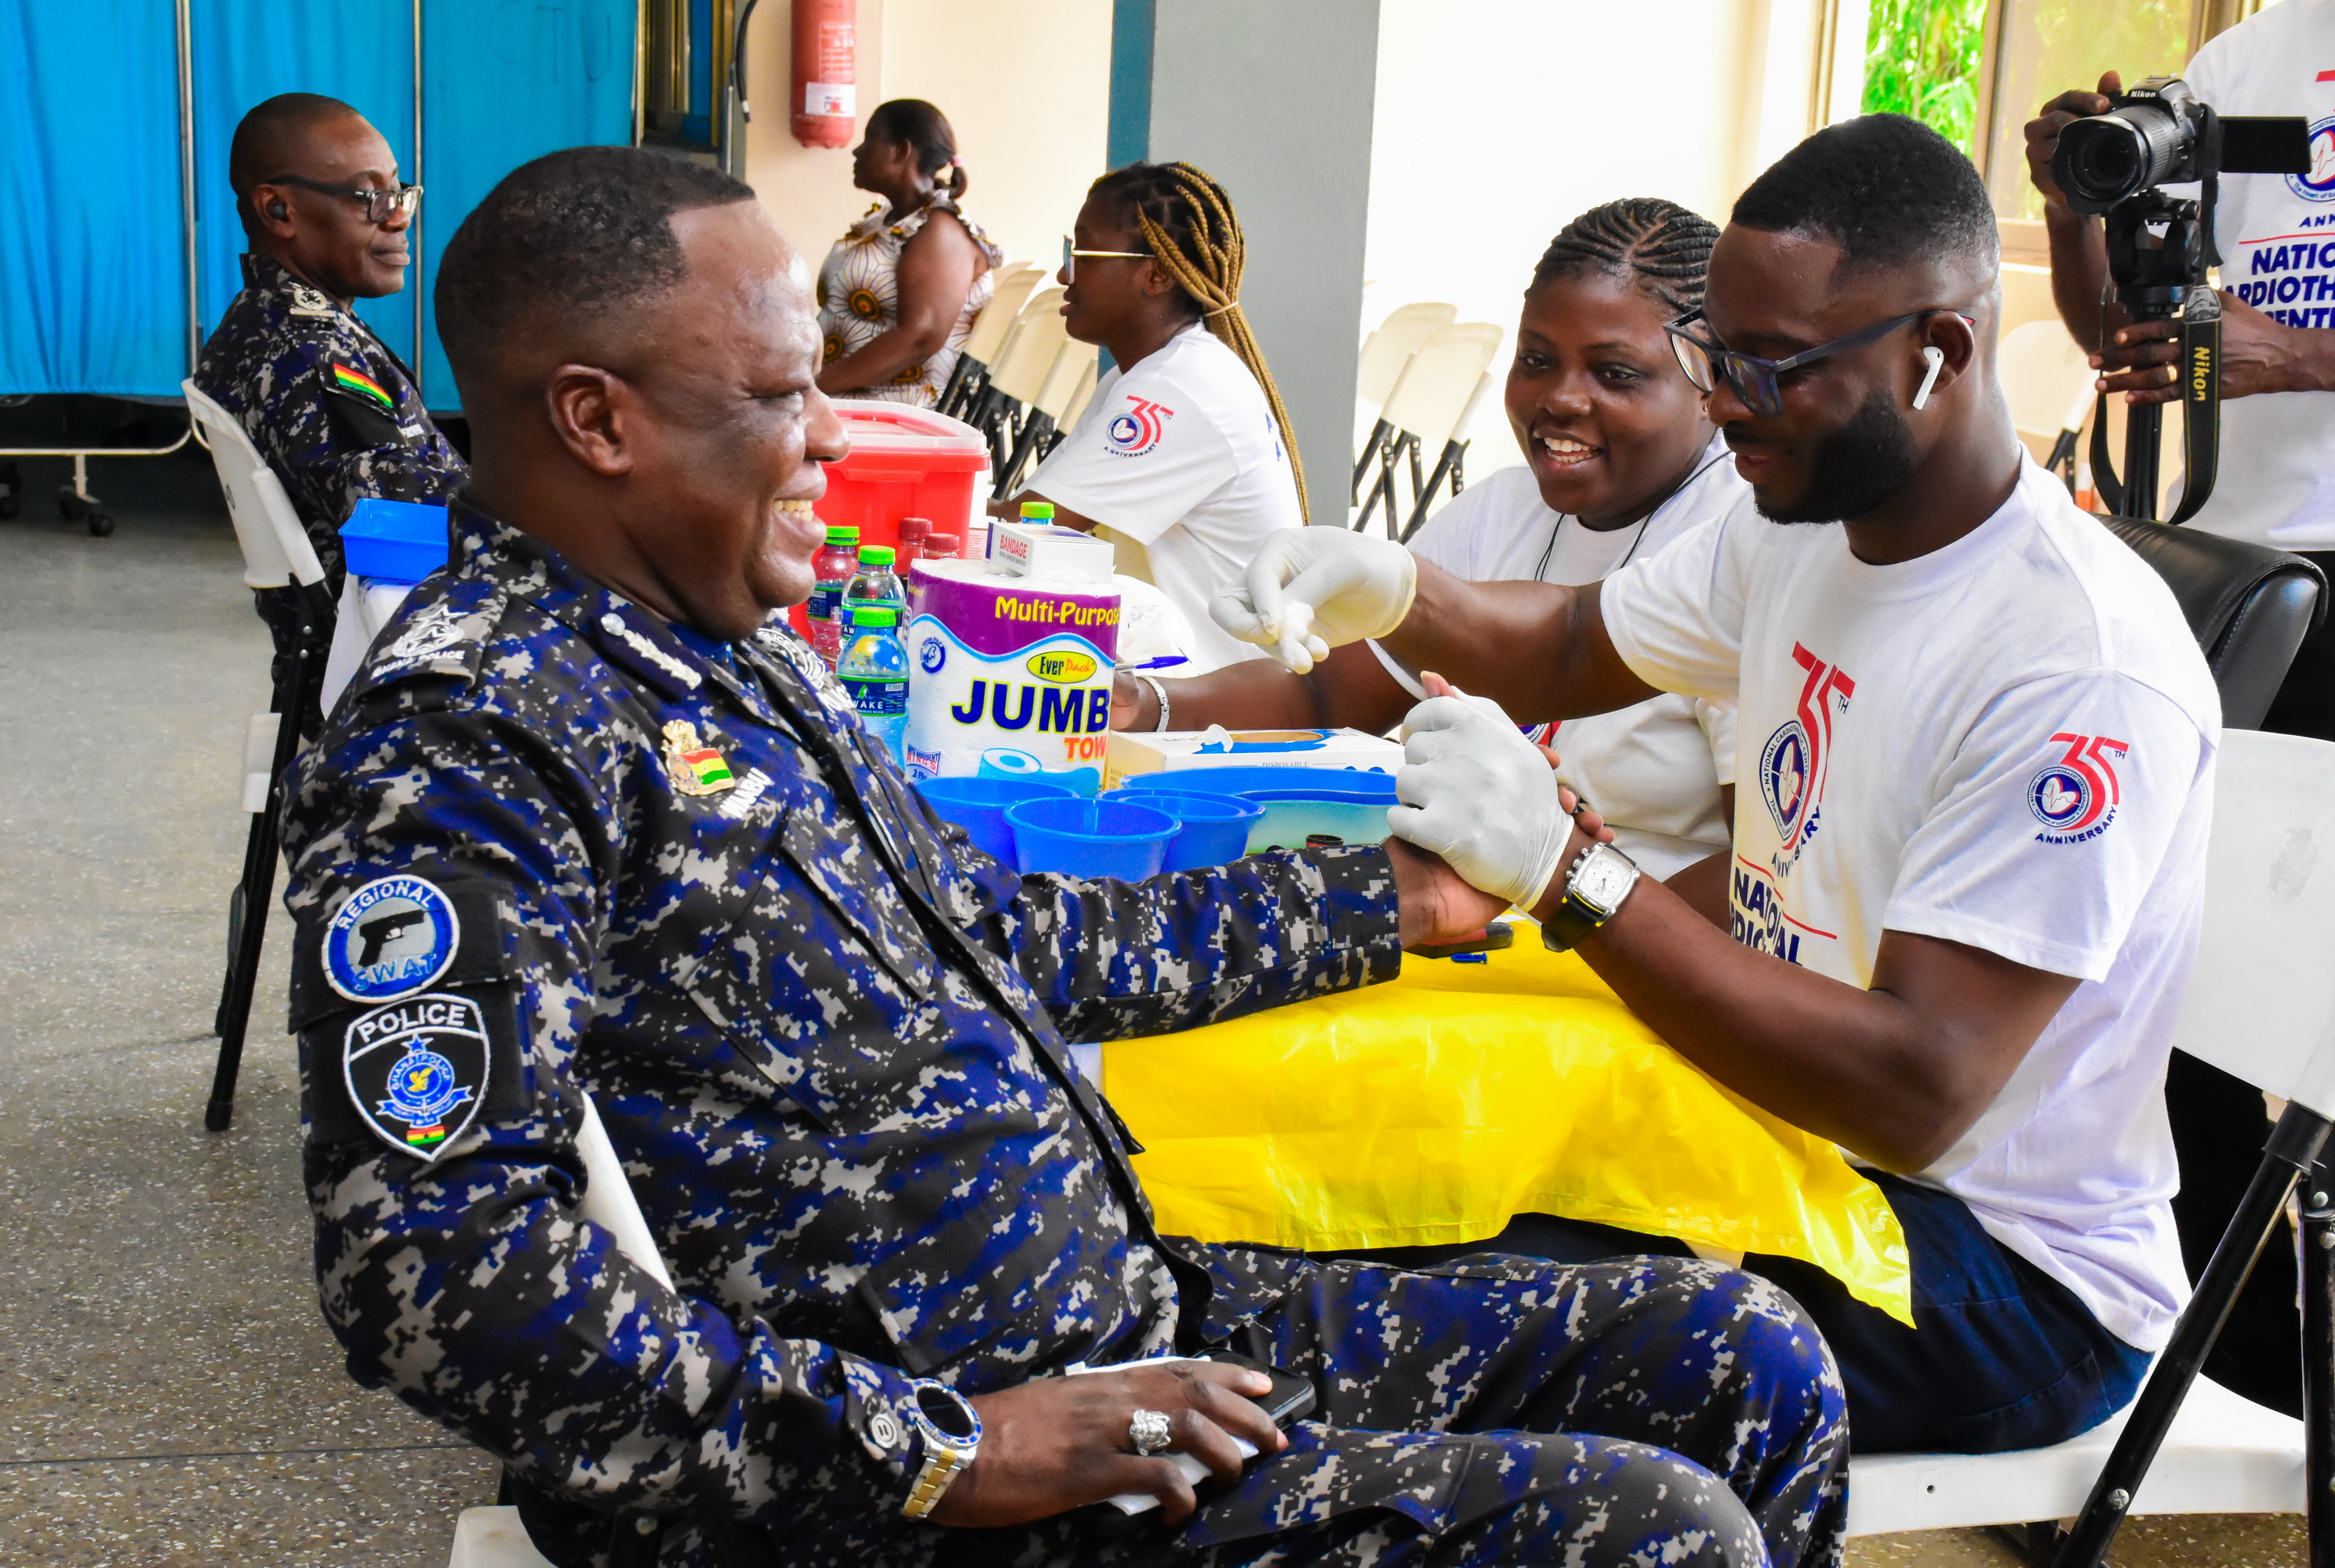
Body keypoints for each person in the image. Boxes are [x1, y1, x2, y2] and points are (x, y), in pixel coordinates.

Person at [278, 144, 1849, 1568]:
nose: (829, 433)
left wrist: (1382, 902)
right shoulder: (471, 745)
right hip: (908, 1489)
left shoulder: (721, 647)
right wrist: (950, 1453)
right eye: (775, 393)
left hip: (1124, 1342)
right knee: (1665, 1541)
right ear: (597, 418)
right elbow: (435, 1271)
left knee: (1746, 1355)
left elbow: (1000, 932)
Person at [1216, 114, 2219, 1458]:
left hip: (1991, 1265)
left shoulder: (2074, 667)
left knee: (1445, 1290)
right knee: (1365, 1121)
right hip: (1787, 1117)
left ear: (1938, 354)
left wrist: (1568, 874)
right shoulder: (1803, 528)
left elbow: (1916, 1088)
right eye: (1714, 355)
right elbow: (1575, 642)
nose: (1728, 401)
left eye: (1768, 366)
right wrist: (1399, 590)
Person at [2024, 0, 2335, 1416]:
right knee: (2185, 966)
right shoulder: (2248, 53)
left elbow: (2262, 346)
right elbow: (2124, 339)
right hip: (2244, 575)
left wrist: (2294, 356)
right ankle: (2237, 1373)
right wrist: (2073, 213)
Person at [1119, 198, 1745, 887]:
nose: (1561, 399)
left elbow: (1762, 882)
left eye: (1616, 373)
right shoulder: (1502, 511)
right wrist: (1140, 704)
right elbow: (1330, 697)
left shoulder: (1737, 545)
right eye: (1536, 360)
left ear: (1710, 380)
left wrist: (1571, 899)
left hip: (1624, 931)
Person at [193, 92, 465, 718]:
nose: (397, 218)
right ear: (279, 209)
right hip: (396, 668)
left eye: (399, 192)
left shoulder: (272, 320)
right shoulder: (310, 356)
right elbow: (413, 523)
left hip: (376, 646)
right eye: (368, 196)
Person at [994, 162, 1306, 673]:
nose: (1065, 273)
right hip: (1180, 679)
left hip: (1219, 697)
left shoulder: (1179, 389)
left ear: (1156, 274)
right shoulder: (1145, 376)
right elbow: (1028, 521)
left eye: (1082, 254)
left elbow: (1024, 533)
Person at [812, 98, 1002, 404]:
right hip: (841, 397)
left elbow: (920, 338)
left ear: (901, 151)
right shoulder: (890, 221)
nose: (857, 151)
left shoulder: (940, 230)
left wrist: (812, 388)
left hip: (893, 409)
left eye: (871, 138)